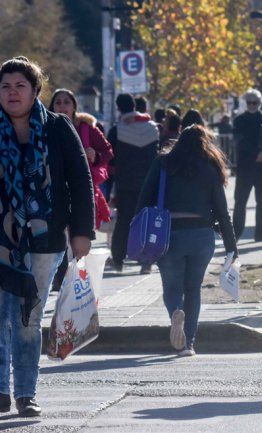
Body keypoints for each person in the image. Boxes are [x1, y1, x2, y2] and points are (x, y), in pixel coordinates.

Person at [0, 56, 94, 417]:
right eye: (5, 86)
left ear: (35, 90)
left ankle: (25, 393)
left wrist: (82, 232)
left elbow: (80, 181)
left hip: (45, 240)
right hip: (2, 242)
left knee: (27, 318)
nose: (12, 93)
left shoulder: (57, 128)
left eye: (20, 86)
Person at [136, 125, 237, 356]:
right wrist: (232, 247)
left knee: (172, 288)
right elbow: (222, 212)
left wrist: (139, 236)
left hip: (169, 234)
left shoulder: (163, 163)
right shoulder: (211, 167)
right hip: (202, 235)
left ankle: (175, 313)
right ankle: (188, 343)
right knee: (193, 289)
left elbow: (144, 199)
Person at [107, 93, 159, 274]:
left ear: (119, 108)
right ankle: (147, 262)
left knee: (123, 222)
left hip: (126, 184)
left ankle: (119, 259)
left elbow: (110, 160)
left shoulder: (117, 130)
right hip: (149, 183)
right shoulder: (153, 128)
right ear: (135, 106)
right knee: (147, 222)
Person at [49, 89, 113, 229]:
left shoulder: (87, 128)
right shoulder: (45, 129)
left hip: (81, 190)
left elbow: (108, 151)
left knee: (80, 238)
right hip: (53, 192)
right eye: (58, 102)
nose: (62, 106)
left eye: (67, 102)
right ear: (52, 107)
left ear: (74, 106)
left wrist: (95, 155)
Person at [232, 89, 262, 242]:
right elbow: (240, 140)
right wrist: (256, 154)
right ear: (245, 102)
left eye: (255, 102)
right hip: (245, 166)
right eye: (249, 102)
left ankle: (261, 233)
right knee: (240, 201)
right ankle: (235, 234)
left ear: (260, 103)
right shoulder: (239, 120)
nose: (252, 105)